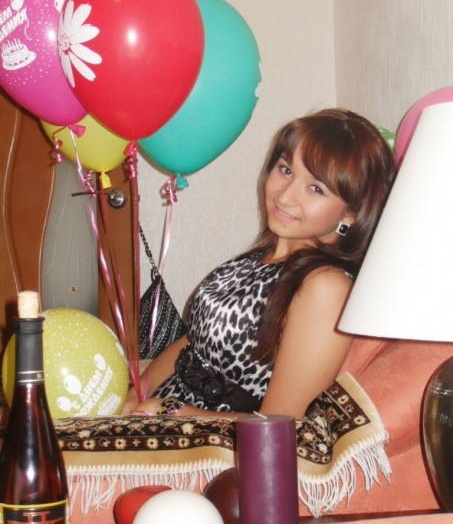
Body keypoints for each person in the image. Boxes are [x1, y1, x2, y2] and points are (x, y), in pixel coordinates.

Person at [122, 108, 396, 419]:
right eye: (286, 170)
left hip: (215, 442)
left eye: (316, 188)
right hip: (162, 419)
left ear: (352, 213)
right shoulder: (261, 258)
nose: (285, 196)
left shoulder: (325, 286)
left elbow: (283, 422)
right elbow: (194, 342)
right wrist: (135, 394)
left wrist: (172, 413)